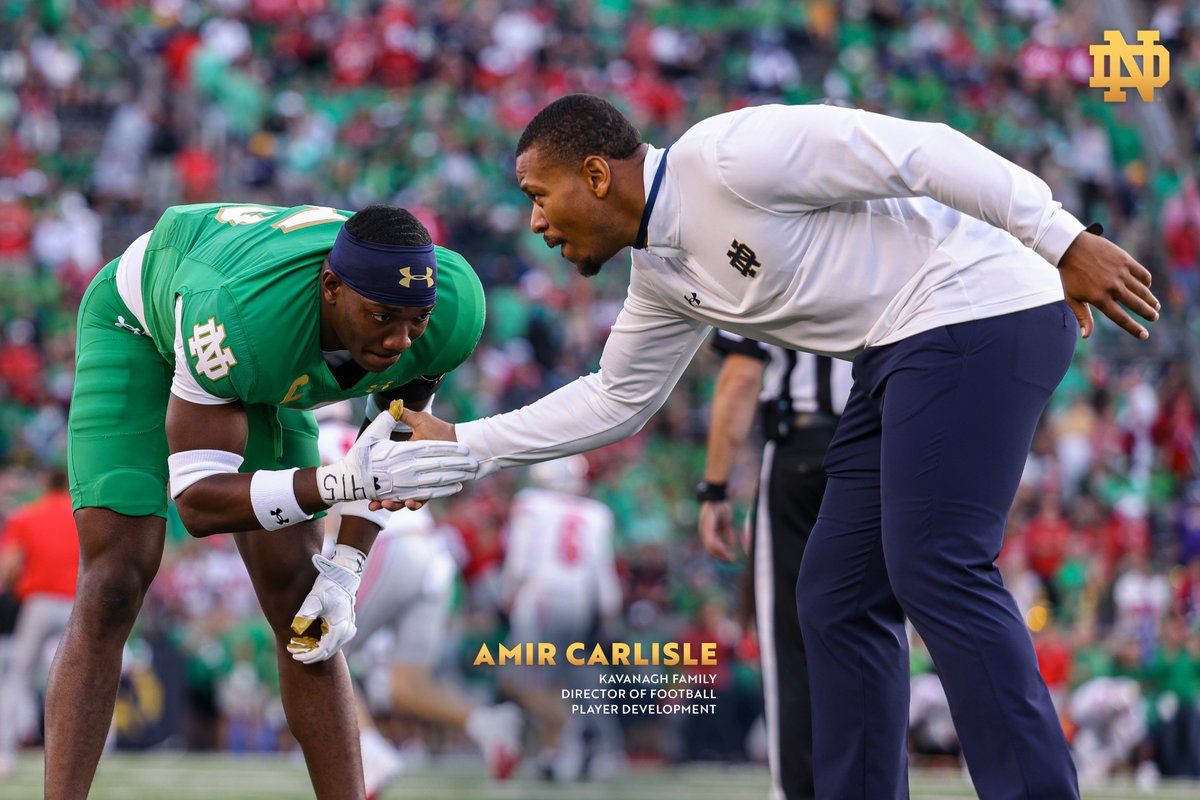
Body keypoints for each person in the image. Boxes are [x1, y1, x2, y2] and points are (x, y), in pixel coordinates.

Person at [395, 94, 1161, 799]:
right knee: (836, 591)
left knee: (935, 561)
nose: (535, 222)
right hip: (900, 347)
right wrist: (465, 444)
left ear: (595, 175)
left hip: (982, 304)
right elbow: (616, 397)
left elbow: (919, 150)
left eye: (538, 195)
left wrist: (1063, 238)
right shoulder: (659, 274)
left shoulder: (726, 155)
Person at [51, 202, 482, 800]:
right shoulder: (242, 317)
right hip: (148, 324)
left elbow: (389, 443)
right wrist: (339, 482)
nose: (398, 339)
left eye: (415, 321)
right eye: (382, 316)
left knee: (305, 605)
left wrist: (344, 572)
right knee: (115, 580)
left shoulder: (448, 307)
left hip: (264, 341)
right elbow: (199, 504)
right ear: (331, 287)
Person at [313, 408, 523, 792]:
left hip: (382, 546)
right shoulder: (371, 433)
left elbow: (329, 509)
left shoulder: (316, 441)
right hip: (430, 552)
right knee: (405, 683)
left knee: (313, 645)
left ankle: (369, 752)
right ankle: (489, 726)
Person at [698, 331, 851, 800]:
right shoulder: (891, 254)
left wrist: (715, 489)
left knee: (791, 639)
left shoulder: (762, 255)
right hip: (880, 451)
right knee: (871, 635)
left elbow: (742, 375)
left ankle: (797, 790)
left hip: (800, 446)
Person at [499, 456, 623, 781]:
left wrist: (509, 592)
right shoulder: (597, 513)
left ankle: (572, 734)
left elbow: (520, 557)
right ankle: (554, 752)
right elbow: (601, 567)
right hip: (581, 601)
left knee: (522, 681)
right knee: (562, 680)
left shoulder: (530, 503)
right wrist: (608, 608)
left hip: (540, 597)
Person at [0, 469, 79, 776]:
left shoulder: (26, 515)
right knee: (84, 675)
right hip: (76, 601)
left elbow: (8, 566)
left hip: (40, 602)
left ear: (45, 484)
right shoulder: (78, 514)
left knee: (17, 677)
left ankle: (5, 752)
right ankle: (100, 750)